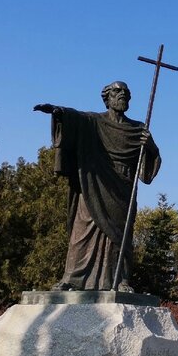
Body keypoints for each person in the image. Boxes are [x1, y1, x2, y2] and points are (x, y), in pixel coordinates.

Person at [34, 81, 160, 291]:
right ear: (107, 98)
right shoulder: (94, 121)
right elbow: (75, 118)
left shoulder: (138, 129)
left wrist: (151, 146)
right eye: (117, 91)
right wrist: (59, 113)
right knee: (83, 230)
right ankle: (72, 278)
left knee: (120, 236)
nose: (123, 95)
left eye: (126, 93)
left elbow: (147, 171)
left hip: (122, 188)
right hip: (93, 182)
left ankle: (120, 280)